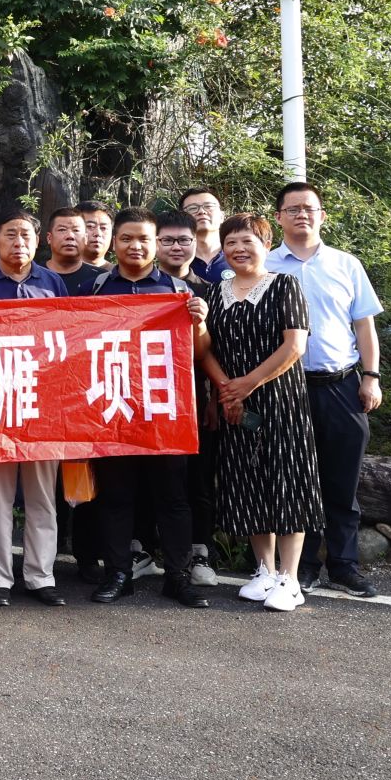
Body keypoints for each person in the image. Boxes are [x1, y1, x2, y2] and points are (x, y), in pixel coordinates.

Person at [85, 208, 212, 608]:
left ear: (155, 243)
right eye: (126, 238)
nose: (135, 246)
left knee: (173, 497)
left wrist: (199, 323)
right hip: (113, 406)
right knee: (115, 496)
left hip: (165, 409)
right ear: (114, 243)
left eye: (143, 239)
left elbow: (200, 355)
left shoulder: (179, 290)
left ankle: (177, 576)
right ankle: (118, 573)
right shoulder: (94, 289)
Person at [199, 213, 324, 613]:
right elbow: (205, 349)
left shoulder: (285, 285)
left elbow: (294, 346)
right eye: (231, 242)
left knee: (288, 481)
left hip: (280, 400)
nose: (239, 249)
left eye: (247, 241)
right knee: (246, 481)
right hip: (233, 401)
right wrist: (227, 389)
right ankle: (265, 570)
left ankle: (290, 577)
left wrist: (247, 384)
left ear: (266, 246)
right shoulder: (213, 293)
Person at [266, 182, 383, 598]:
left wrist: (371, 376)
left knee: (343, 481)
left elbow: (364, 326)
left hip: (341, 384)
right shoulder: (265, 264)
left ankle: (345, 565)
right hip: (286, 389)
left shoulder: (346, 264)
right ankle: (304, 566)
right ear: (278, 217)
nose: (302, 214)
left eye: (309, 208)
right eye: (293, 208)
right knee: (298, 478)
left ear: (322, 216)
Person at [0, 208, 68, 608]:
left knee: (42, 497)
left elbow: (69, 338)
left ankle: (41, 576)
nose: (19, 241)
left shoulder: (52, 282)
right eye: (10, 234)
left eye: (26, 234)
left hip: (42, 403)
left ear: (38, 241)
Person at [157, 210, 223, 587]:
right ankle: (146, 550)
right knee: (156, 478)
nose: (176, 247)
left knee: (198, 478)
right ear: (156, 244)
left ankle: (201, 551)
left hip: (196, 395)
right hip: (151, 398)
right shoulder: (141, 287)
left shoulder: (210, 290)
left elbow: (217, 351)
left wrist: (213, 398)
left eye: (184, 240)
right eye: (167, 240)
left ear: (195, 243)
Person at [44, 205, 103, 296]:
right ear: (49, 238)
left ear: (86, 238)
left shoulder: (101, 280)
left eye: (76, 230)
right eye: (62, 230)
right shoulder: (32, 276)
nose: (70, 236)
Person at [180, 186, 232, 284]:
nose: (201, 211)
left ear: (222, 216)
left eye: (209, 206)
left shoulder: (238, 255)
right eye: (192, 208)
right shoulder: (177, 260)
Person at [77, 200, 114, 271]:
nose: (98, 233)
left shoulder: (121, 275)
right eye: (90, 226)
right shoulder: (56, 274)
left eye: (103, 228)